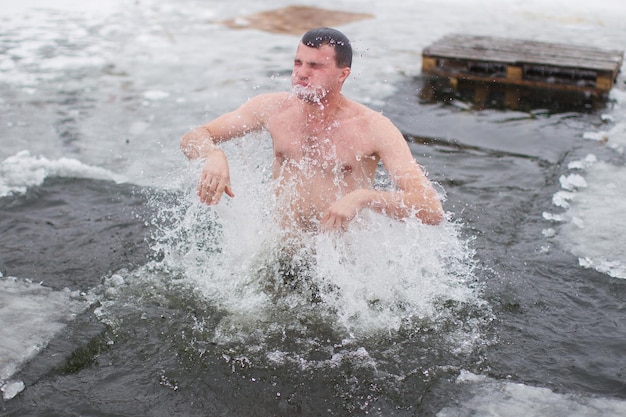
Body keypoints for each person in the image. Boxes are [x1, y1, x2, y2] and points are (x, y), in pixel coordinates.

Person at [180, 27, 444, 234]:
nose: (301, 74)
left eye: (315, 66)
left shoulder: (373, 127)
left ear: (343, 74)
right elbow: (194, 137)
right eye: (298, 63)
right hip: (280, 254)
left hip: (339, 271)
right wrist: (213, 156)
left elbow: (431, 209)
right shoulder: (272, 108)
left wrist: (364, 198)